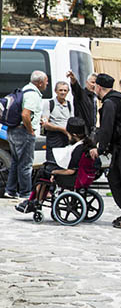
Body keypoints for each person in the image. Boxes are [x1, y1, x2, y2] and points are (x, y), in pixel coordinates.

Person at [89, 73, 121, 229]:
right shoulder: (118, 99)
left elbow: (106, 128)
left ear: (98, 87)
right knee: (117, 178)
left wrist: (100, 148)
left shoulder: (110, 103)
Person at [15, 117, 94, 214]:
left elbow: (71, 171)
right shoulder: (86, 144)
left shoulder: (78, 149)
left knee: (42, 173)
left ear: (74, 134)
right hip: (83, 175)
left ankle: (36, 202)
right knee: (46, 167)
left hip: (73, 176)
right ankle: (35, 200)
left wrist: (54, 172)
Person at [4, 70, 47, 199]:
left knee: (16, 162)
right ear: (39, 83)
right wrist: (30, 130)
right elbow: (25, 114)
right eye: (46, 81)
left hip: (13, 130)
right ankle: (25, 193)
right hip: (23, 132)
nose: (47, 84)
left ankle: (10, 190)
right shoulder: (33, 94)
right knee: (26, 165)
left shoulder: (25, 89)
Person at [41, 81, 73, 163]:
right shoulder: (49, 104)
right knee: (53, 163)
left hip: (66, 139)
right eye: (60, 90)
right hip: (54, 138)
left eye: (65, 90)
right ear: (56, 91)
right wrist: (62, 129)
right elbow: (45, 124)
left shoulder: (69, 105)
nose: (63, 92)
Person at [67, 70, 97, 136]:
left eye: (96, 83)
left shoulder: (94, 97)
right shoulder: (81, 94)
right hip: (82, 130)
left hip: (92, 130)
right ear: (86, 82)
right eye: (92, 82)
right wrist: (73, 79)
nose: (94, 85)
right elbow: (76, 87)